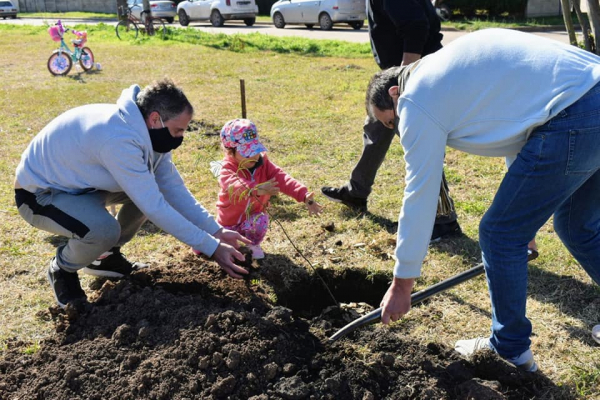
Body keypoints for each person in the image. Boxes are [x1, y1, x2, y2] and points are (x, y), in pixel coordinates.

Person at [367, 28, 600, 371]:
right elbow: (520, 128)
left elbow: (420, 192)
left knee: (498, 233)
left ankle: (510, 351)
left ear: (394, 92)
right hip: (589, 96)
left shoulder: (415, 98)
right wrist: (526, 225)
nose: (398, 131)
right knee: (576, 224)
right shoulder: (449, 70)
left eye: (391, 123)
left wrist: (403, 284)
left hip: (576, 113)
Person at [14, 78, 251, 309]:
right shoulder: (118, 139)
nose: (181, 138)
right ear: (155, 118)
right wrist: (212, 247)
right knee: (103, 230)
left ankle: (104, 257)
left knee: (148, 193)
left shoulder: (150, 134)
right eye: (178, 130)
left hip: (83, 185)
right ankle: (63, 268)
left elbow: (172, 190)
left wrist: (216, 231)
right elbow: (154, 207)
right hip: (40, 195)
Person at [321, 0, 462, 243]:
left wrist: (406, 84)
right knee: (375, 128)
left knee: (423, 147)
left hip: (412, 79)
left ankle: (444, 220)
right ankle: (357, 192)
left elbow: (416, 26)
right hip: (394, 77)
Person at [207, 118, 323, 260]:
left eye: (255, 150)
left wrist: (302, 194)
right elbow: (233, 184)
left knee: (260, 221)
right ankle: (210, 244)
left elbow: (281, 178)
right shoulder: (226, 168)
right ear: (230, 151)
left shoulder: (263, 163)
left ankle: (253, 244)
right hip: (229, 219)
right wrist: (256, 189)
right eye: (247, 153)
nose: (254, 156)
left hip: (253, 215)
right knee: (222, 243)